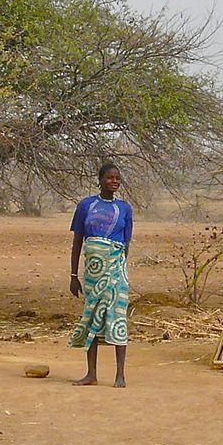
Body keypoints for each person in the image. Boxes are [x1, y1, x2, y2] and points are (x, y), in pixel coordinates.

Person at [68, 162, 133, 386]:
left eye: (117, 178)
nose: (114, 181)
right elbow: (78, 242)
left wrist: (119, 268)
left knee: (117, 317)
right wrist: (73, 275)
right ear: (100, 179)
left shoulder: (125, 208)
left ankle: (120, 374)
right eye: (109, 178)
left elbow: (126, 243)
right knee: (92, 315)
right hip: (93, 272)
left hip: (116, 271)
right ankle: (91, 374)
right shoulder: (86, 205)